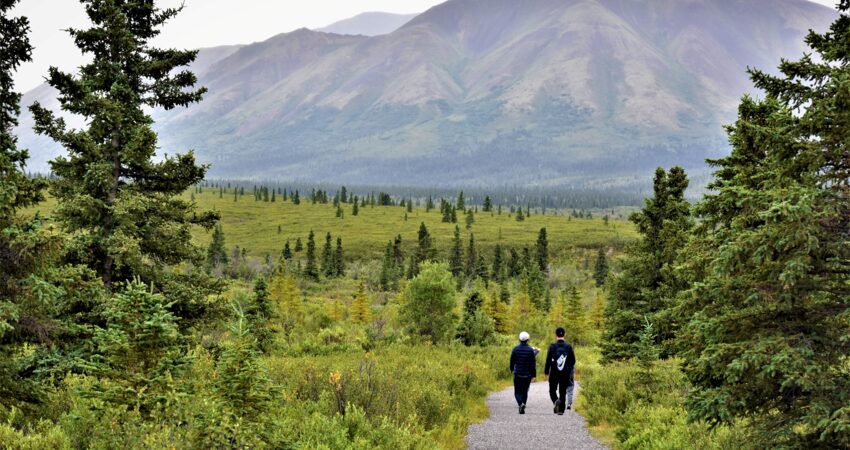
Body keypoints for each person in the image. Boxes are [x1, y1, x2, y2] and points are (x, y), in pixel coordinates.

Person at [544, 327, 576, 415]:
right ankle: (561, 410)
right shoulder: (568, 347)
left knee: (552, 390)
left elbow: (548, 361)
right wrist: (569, 370)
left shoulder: (552, 346)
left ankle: (555, 400)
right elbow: (573, 361)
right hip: (565, 373)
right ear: (564, 334)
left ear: (556, 335)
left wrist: (546, 373)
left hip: (554, 373)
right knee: (562, 391)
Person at [509, 331, 539, 414]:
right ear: (527, 339)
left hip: (518, 373)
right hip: (527, 374)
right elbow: (533, 364)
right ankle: (523, 404)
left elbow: (512, 360)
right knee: (525, 391)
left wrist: (511, 369)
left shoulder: (515, 349)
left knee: (517, 391)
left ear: (519, 339)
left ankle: (520, 404)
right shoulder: (530, 350)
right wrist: (534, 375)